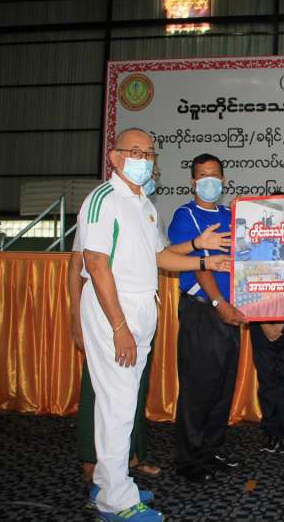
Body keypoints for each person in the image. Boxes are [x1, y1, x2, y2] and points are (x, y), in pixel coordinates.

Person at [78, 129, 230, 521]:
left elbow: (160, 256)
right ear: (115, 157)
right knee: (118, 404)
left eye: (149, 153)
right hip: (115, 311)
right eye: (135, 152)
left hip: (143, 308)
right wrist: (119, 327)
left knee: (123, 401)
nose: (143, 160)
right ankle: (116, 501)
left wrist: (204, 261)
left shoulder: (143, 204)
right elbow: (95, 264)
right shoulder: (103, 200)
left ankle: (109, 482)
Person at [167, 153, 247, 483]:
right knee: (198, 387)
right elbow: (201, 267)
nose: (209, 181)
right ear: (193, 182)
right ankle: (189, 460)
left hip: (229, 311)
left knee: (223, 386)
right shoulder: (186, 216)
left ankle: (211, 450)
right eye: (202, 176)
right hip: (203, 310)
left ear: (223, 180)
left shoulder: (231, 216)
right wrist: (218, 302)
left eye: (214, 175)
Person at [249, 191, 284, 454]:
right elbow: (247, 282)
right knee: (267, 380)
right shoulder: (256, 244)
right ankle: (270, 433)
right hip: (260, 322)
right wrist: (264, 322)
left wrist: (282, 321)